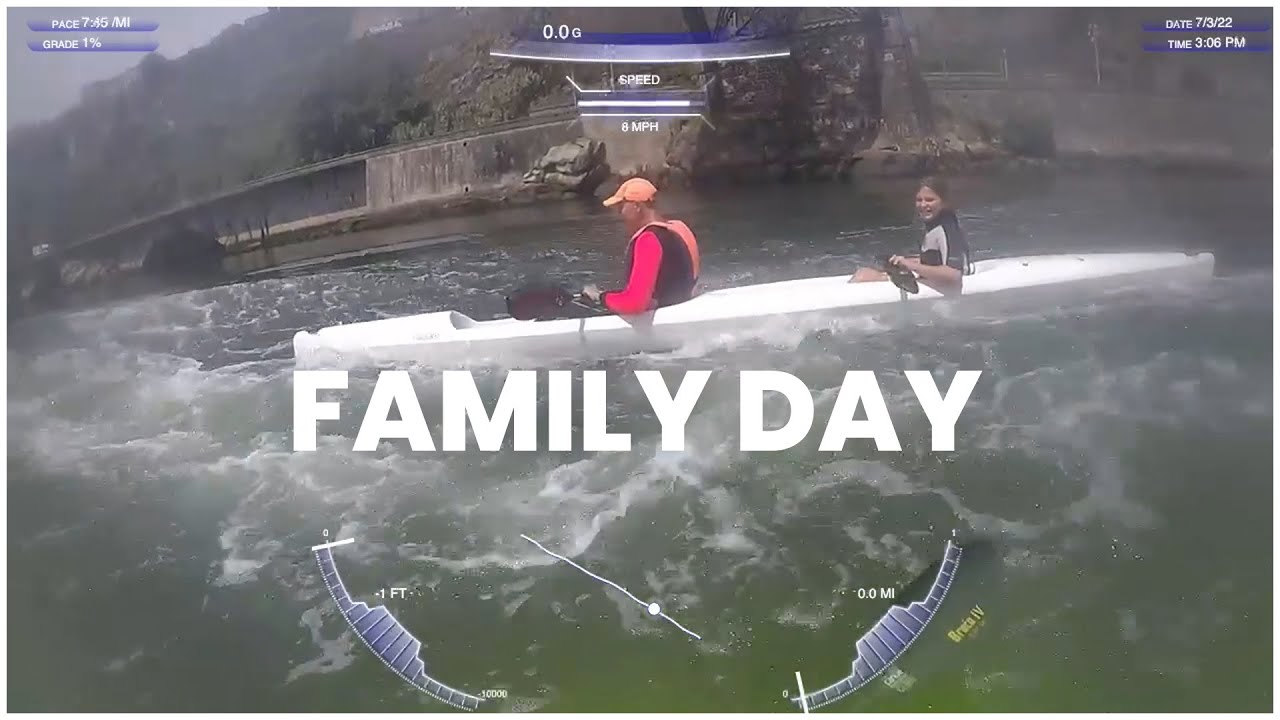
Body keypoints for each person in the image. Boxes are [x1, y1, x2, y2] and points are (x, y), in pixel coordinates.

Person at [581, 177, 701, 315]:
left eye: (622, 206)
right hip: (682, 309)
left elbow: (634, 304)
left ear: (637, 206)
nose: (620, 213)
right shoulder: (680, 228)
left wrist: (600, 297)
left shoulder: (648, 240)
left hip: (662, 323)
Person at [849, 177, 972, 295]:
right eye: (919, 200)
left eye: (930, 200)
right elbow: (937, 258)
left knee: (863, 277)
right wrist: (907, 261)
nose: (923, 205)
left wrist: (911, 265)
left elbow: (954, 275)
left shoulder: (947, 229)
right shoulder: (935, 225)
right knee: (863, 273)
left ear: (944, 202)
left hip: (949, 287)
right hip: (933, 281)